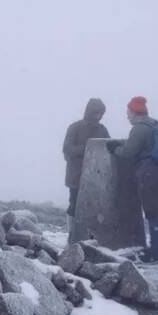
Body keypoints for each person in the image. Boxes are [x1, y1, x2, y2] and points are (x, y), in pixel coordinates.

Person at [106, 96, 158, 262]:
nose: (127, 116)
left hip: (149, 173)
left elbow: (129, 151)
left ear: (135, 112)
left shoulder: (139, 128)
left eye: (128, 112)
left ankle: (156, 251)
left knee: (152, 211)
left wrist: (115, 149)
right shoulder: (156, 124)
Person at [62, 98, 110, 232]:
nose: (99, 116)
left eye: (101, 114)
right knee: (74, 205)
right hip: (76, 175)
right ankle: (72, 234)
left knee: (94, 207)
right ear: (89, 112)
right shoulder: (75, 127)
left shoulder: (102, 129)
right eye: (96, 113)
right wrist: (90, 148)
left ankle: (89, 235)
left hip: (96, 177)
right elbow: (67, 149)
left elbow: (108, 148)